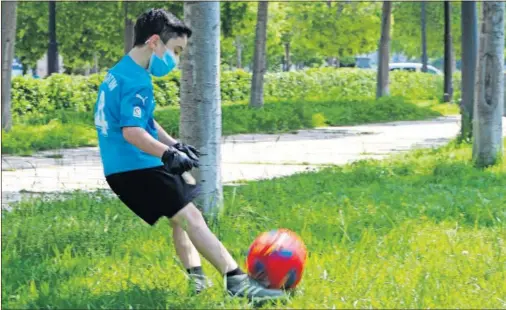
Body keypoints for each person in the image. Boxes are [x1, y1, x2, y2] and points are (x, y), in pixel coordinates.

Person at [92, 8, 285, 302]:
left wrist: (174, 144)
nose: (176, 60)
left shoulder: (121, 72)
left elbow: (145, 122)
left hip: (125, 165)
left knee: (178, 218)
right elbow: (132, 132)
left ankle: (197, 279)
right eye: (176, 51)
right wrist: (167, 154)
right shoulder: (137, 82)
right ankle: (237, 282)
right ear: (155, 42)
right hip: (135, 166)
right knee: (192, 217)